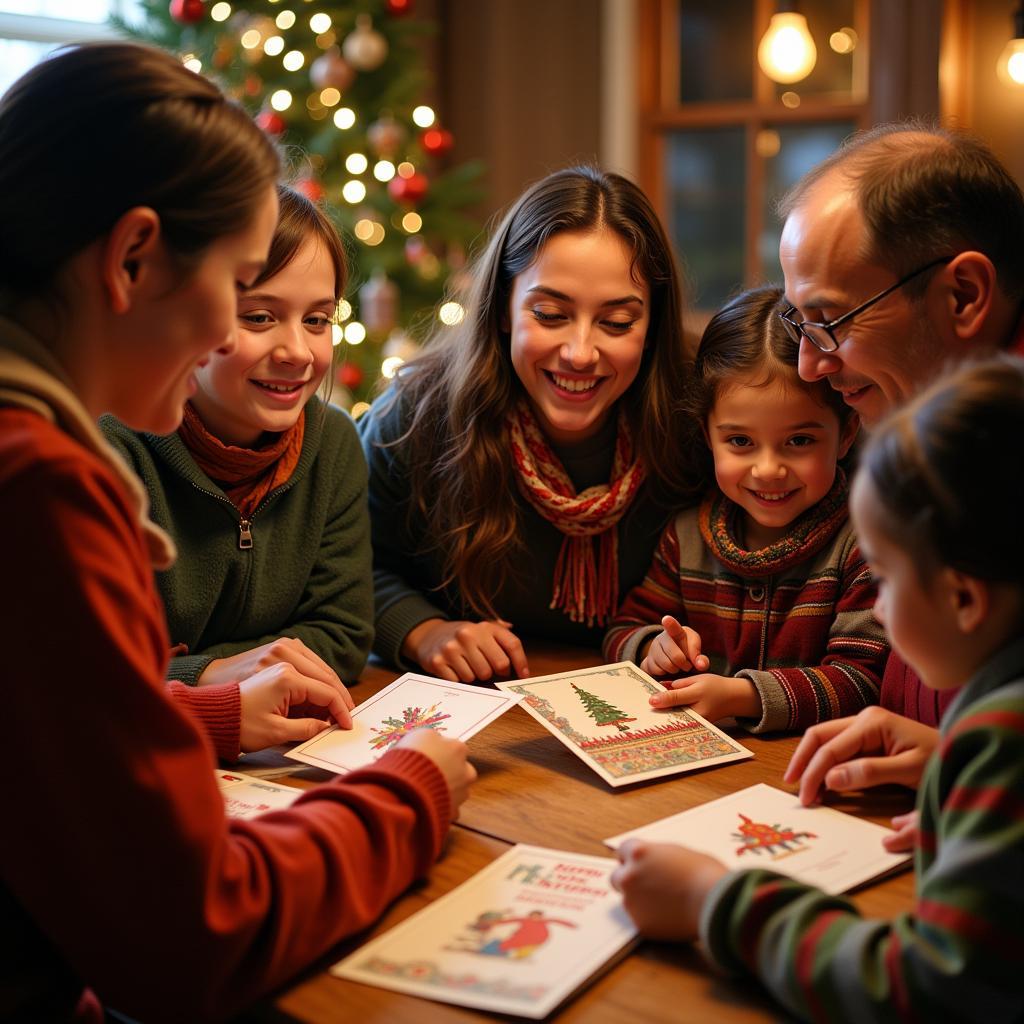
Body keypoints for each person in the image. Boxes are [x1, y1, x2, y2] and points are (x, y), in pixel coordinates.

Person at [0, 43, 474, 1022]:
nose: (236, 332)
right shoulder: (37, 488)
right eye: (241, 283)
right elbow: (191, 931)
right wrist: (411, 788)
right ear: (133, 260)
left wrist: (208, 716)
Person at [611, 356, 1024, 1021]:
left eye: (887, 581)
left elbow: (919, 989)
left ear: (964, 598)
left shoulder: (1006, 737)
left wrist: (715, 899)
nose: (880, 613)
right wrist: (959, 799)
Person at [358, 166, 696, 682]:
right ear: (502, 310)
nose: (580, 353)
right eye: (550, 314)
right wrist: (423, 632)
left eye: (617, 323)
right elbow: (346, 567)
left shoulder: (700, 420)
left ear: (652, 327)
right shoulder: (413, 416)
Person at [102, 184, 372, 758]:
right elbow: (86, 672)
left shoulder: (334, 444)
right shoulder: (110, 447)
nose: (298, 350)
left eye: (318, 320)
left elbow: (344, 635)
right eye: (258, 316)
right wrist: (211, 672)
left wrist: (204, 667)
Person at [777, 121, 1024, 733]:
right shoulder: (921, 424)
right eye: (799, 323)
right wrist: (940, 758)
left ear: (963, 295)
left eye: (831, 320)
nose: (810, 364)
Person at [604, 286, 886, 732]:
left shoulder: (864, 544)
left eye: (799, 441)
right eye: (740, 441)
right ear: (708, 434)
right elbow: (623, 627)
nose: (768, 470)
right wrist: (652, 646)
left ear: (846, 434)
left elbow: (862, 680)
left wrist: (745, 696)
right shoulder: (688, 535)